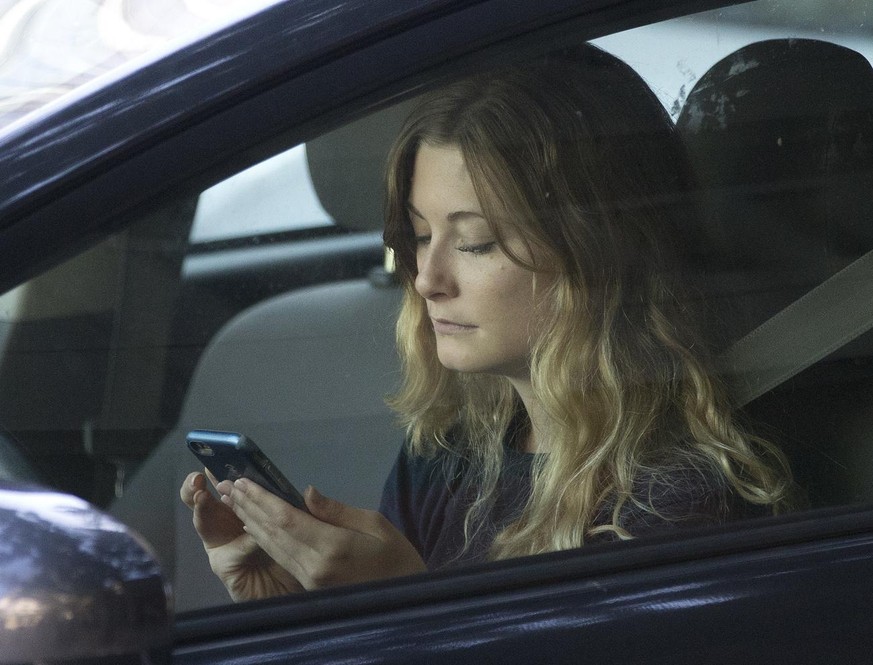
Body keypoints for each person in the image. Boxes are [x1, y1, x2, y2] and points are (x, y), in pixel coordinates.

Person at [180, 44, 792, 601]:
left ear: (598, 254)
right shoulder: (447, 456)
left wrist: (407, 604)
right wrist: (290, 607)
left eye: (475, 243)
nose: (426, 279)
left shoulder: (677, 506)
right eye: (419, 237)